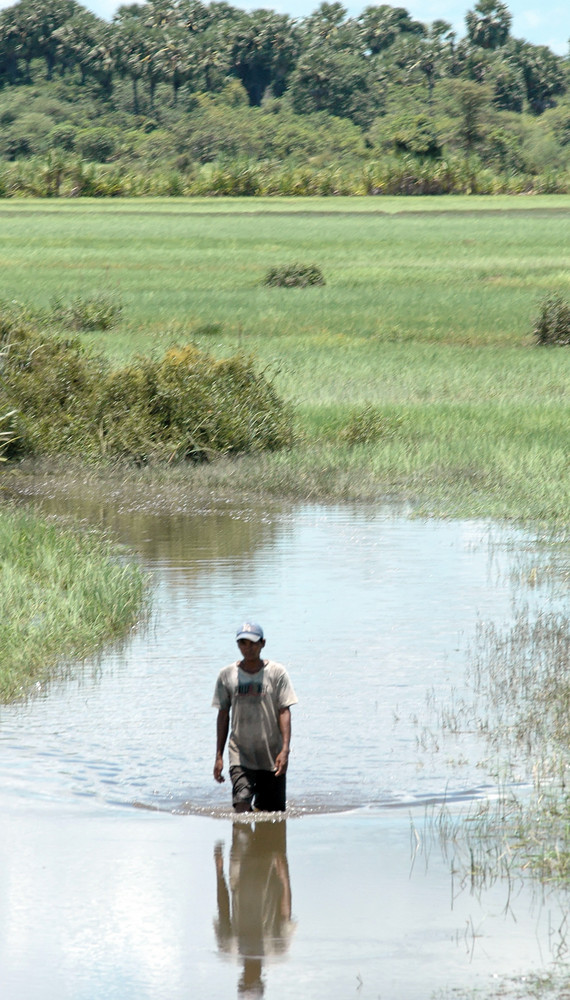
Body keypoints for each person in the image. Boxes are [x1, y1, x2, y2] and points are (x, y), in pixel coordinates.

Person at [213, 622, 298, 812]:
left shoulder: (277, 673)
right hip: (240, 754)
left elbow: (284, 711)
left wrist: (285, 750)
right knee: (241, 805)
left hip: (271, 755)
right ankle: (242, 839)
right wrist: (218, 755)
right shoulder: (227, 675)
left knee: (272, 814)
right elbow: (223, 715)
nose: (247, 648)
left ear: (263, 643)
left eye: (252, 643)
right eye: (243, 643)